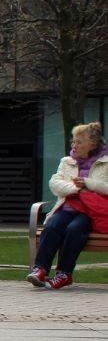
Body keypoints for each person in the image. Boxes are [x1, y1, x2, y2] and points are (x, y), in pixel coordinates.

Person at [29, 122, 107, 290]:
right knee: (53, 225)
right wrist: (77, 189)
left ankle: (64, 274)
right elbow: (55, 184)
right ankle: (40, 269)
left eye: (79, 142)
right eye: (73, 141)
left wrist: (88, 183)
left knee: (74, 229)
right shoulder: (67, 161)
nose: (74, 145)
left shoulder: (106, 162)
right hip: (67, 207)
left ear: (92, 144)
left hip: (90, 213)